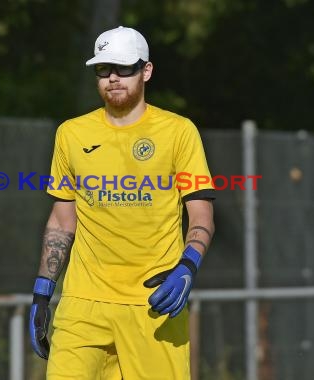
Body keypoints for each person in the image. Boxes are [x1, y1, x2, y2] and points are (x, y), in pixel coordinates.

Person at [29, 25, 216, 379]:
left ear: (146, 71)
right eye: (103, 69)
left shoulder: (178, 132)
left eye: (124, 68)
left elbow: (202, 213)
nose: (113, 77)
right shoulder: (71, 133)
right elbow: (61, 220)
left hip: (153, 306)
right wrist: (42, 290)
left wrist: (187, 266)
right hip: (83, 304)